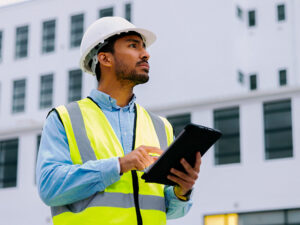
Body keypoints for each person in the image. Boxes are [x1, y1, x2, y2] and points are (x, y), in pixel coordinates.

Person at [36, 16, 201, 225]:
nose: (146, 54)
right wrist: (119, 165)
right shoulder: (64, 118)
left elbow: (169, 210)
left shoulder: (161, 126)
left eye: (144, 47)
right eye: (133, 46)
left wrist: (182, 191)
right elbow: (50, 188)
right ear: (105, 59)